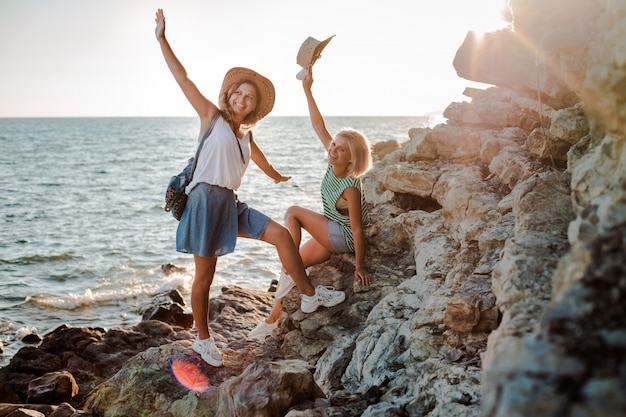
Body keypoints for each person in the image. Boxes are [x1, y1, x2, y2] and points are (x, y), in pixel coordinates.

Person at [154, 9, 346, 367]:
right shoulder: (212, 118)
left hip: (230, 202)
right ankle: (203, 340)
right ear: (229, 95)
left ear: (255, 106)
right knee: (205, 277)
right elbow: (183, 79)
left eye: (250, 98)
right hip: (204, 202)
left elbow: (257, 157)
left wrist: (276, 176)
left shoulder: (246, 133)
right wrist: (162, 38)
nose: (243, 99)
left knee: (282, 236)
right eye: (239, 93)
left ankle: (308, 295)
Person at [248, 67, 373, 341]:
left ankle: (289, 271)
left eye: (340, 149)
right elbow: (318, 125)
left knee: (293, 213)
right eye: (334, 145)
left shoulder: (350, 186)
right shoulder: (333, 161)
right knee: (293, 266)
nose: (333, 150)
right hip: (332, 232)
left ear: (351, 159)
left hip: (343, 237)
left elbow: (358, 229)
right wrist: (307, 88)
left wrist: (360, 266)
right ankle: (270, 322)